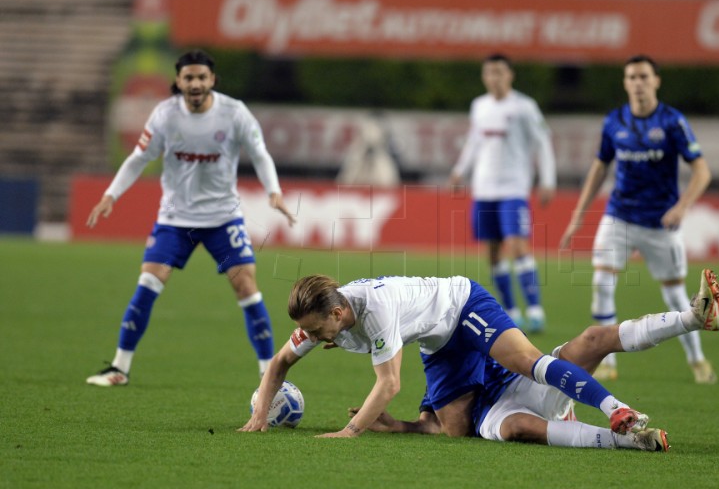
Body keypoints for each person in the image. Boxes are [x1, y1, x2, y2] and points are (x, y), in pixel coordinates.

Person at [85, 49, 295, 386]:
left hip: (223, 218)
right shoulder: (165, 115)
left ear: (212, 80)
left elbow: (260, 153)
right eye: (188, 77)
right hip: (174, 219)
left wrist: (274, 191)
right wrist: (111, 194)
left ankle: (267, 374)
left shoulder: (234, 113)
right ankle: (119, 368)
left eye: (201, 77)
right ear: (178, 81)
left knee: (246, 286)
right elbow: (138, 158)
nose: (195, 83)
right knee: (148, 283)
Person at [351, 269, 719, 451]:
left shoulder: (468, 314)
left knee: (593, 338)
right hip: (494, 413)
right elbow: (435, 425)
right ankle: (630, 442)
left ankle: (692, 318)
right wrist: (398, 426)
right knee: (517, 427)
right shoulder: (434, 355)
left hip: (519, 385)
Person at [240, 274, 652, 438]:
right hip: (436, 340)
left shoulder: (376, 312)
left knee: (527, 361)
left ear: (337, 313)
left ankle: (588, 402)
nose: (309, 337)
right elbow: (279, 363)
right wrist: (259, 414)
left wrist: (349, 432)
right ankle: (538, 406)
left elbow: (389, 384)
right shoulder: (324, 314)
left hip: (460, 305)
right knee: (454, 428)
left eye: (315, 330)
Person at [559, 54, 716, 384]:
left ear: (656, 81)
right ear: (625, 83)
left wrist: (683, 206)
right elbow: (600, 167)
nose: (638, 83)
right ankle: (606, 362)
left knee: (675, 296)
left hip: (661, 223)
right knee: (602, 282)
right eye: (632, 77)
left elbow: (702, 171)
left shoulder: (672, 122)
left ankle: (697, 359)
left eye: (644, 76)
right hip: (620, 216)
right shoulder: (614, 122)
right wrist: (578, 217)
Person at [448, 53, 556, 333]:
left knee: (518, 245)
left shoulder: (524, 107)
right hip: (483, 190)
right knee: (493, 253)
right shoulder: (480, 106)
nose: (494, 78)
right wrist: (460, 169)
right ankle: (510, 310)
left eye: (499, 72)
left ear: (510, 75)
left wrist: (547, 179)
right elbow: (474, 141)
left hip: (513, 188)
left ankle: (535, 310)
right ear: (484, 76)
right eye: (489, 72)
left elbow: (542, 142)